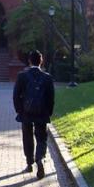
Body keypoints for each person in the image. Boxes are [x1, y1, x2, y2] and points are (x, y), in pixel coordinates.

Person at [13, 50, 55, 179]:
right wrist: (49, 112)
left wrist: (19, 110)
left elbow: (16, 96)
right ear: (41, 61)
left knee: (27, 137)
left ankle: (29, 162)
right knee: (41, 137)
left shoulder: (22, 76)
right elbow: (51, 97)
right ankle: (40, 158)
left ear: (29, 61)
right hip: (42, 113)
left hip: (26, 112)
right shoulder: (47, 77)